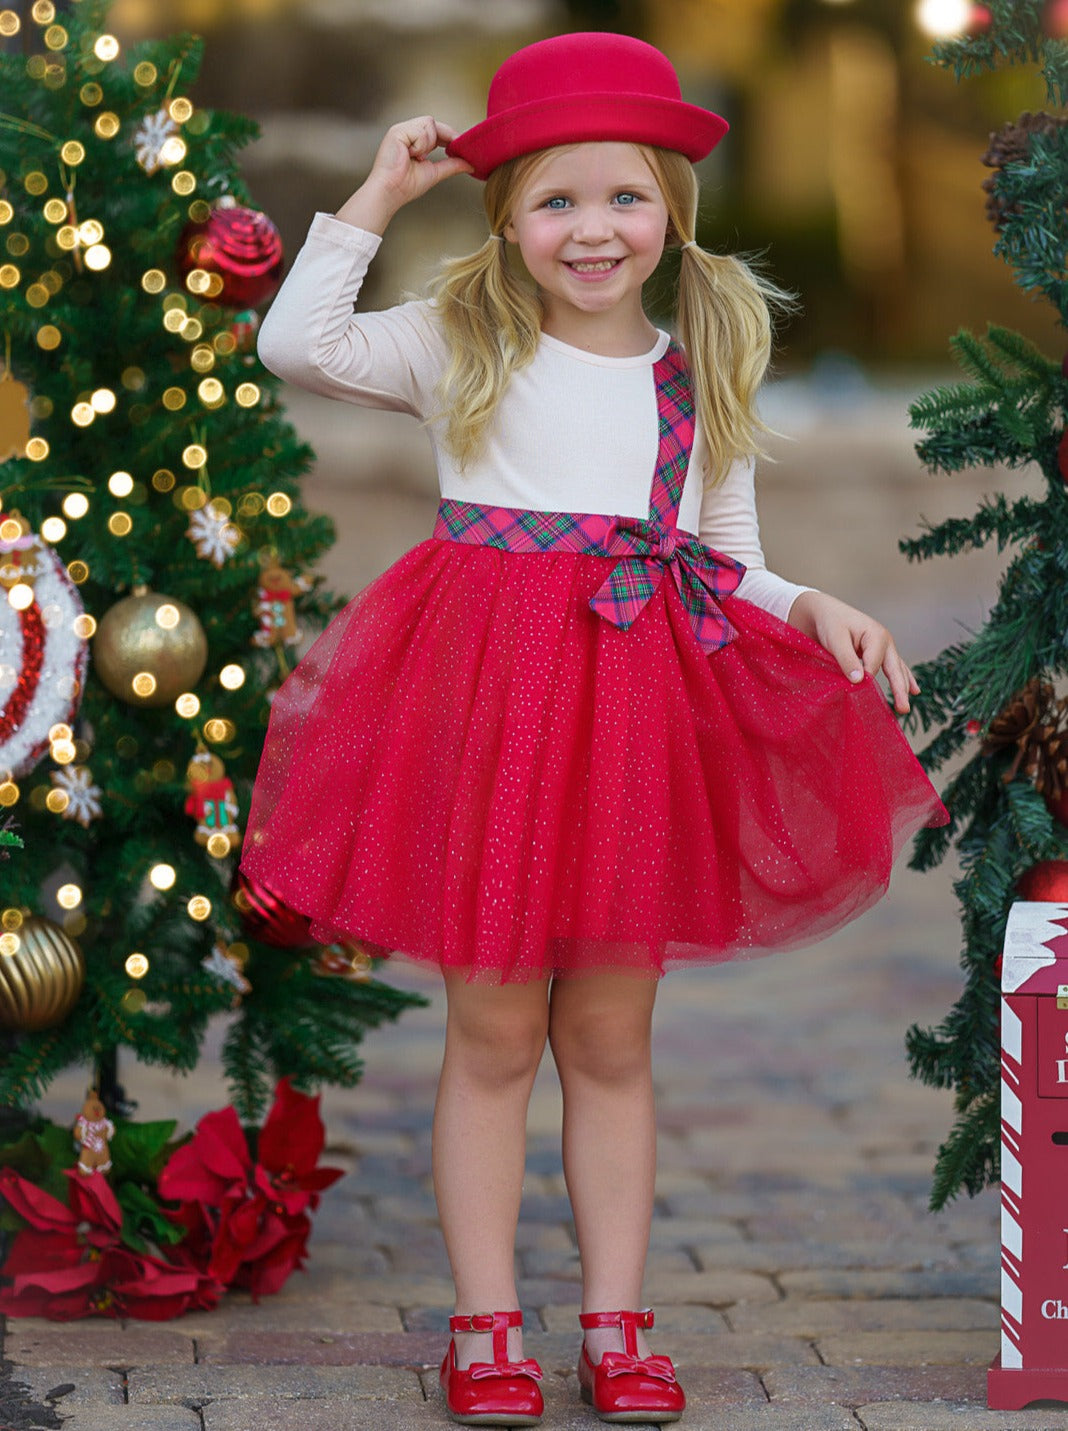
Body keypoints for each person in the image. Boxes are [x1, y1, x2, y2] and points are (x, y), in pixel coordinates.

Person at [242, 30, 947, 1427]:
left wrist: (811, 605)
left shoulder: (696, 372)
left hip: (629, 719)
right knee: (495, 1033)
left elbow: (724, 554)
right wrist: (381, 192)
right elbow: (296, 344)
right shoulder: (461, 341)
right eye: (555, 200)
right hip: (495, 719)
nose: (592, 229)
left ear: (670, 213)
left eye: (625, 197)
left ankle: (617, 1323)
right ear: (507, 218)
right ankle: (487, 1324)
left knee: (613, 1041)